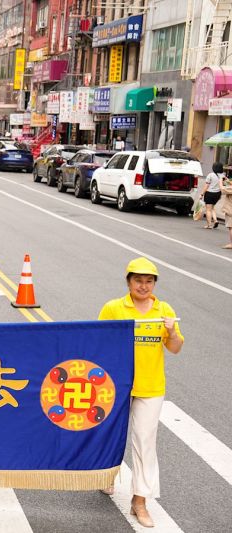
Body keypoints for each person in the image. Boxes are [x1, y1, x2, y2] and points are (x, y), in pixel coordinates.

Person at [98, 257, 184, 528]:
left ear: (154, 284)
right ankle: (106, 476)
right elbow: (96, 339)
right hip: (117, 386)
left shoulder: (164, 310)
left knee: (145, 443)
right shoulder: (114, 308)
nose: (143, 286)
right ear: (128, 282)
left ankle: (140, 501)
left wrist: (170, 332)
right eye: (138, 280)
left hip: (150, 387)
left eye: (149, 281)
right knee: (111, 435)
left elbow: (176, 347)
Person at [199, 162, 224, 228]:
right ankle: (215, 220)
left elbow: (206, 186)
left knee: (208, 209)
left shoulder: (210, 175)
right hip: (218, 194)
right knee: (212, 207)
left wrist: (202, 194)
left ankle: (209, 225)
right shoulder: (223, 175)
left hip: (210, 193)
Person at [221, 172, 232, 249]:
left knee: (231, 227)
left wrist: (220, 181)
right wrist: (227, 181)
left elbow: (222, 189)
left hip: (231, 210)